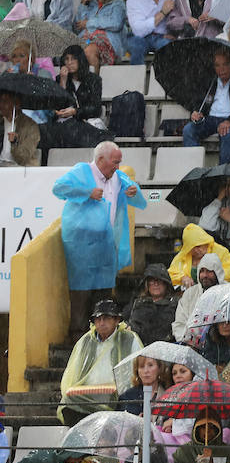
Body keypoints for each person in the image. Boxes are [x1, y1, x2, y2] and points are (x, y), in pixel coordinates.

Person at [53, 143, 146, 334]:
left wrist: (133, 191)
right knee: (81, 295)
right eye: (115, 162)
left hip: (106, 245)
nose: (118, 166)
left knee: (103, 296)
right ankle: (78, 341)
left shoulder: (118, 176)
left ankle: (101, 338)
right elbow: (59, 188)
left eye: (120, 162)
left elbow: (141, 195)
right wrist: (87, 193)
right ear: (101, 159)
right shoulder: (82, 170)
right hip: (81, 246)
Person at [58, 298, 143, 425]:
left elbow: (137, 367)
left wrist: (121, 387)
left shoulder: (129, 338)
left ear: (117, 320)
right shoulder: (85, 341)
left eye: (107, 318)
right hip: (88, 392)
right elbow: (74, 371)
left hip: (119, 391)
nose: (102, 323)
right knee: (68, 402)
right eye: (98, 319)